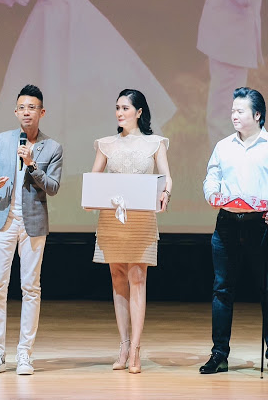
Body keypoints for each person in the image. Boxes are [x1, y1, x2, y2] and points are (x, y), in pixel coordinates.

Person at [0, 0, 175, 177]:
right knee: (45, 86)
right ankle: (46, 162)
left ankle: (115, 158)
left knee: (96, 86)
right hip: (44, 29)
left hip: (79, 21)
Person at [0, 84, 62, 376]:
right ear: (16, 111)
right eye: (22, 108)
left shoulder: (52, 147)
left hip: (33, 223)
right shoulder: (2, 140)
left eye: (32, 108)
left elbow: (53, 187)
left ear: (42, 112)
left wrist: (32, 165)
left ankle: (25, 353)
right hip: (3, 219)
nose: (27, 112)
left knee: (31, 288)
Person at [90, 89, 172, 374]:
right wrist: (93, 196)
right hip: (113, 218)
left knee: (137, 277)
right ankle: (123, 346)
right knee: (117, 278)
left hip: (141, 219)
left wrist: (166, 193)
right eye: (117, 108)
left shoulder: (155, 143)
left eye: (125, 108)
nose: (120, 113)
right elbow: (95, 178)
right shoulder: (105, 144)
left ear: (139, 112)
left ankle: (136, 347)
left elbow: (166, 176)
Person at [200, 87, 268, 376]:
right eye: (232, 110)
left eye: (240, 110)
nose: (234, 115)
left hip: (261, 224)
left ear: (257, 115)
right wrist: (212, 193)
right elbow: (212, 176)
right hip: (227, 224)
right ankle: (219, 354)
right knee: (222, 290)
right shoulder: (224, 146)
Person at [197, 0, 268, 148]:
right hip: (223, 40)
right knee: (220, 115)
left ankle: (228, 167)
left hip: (232, 44)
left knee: (223, 118)